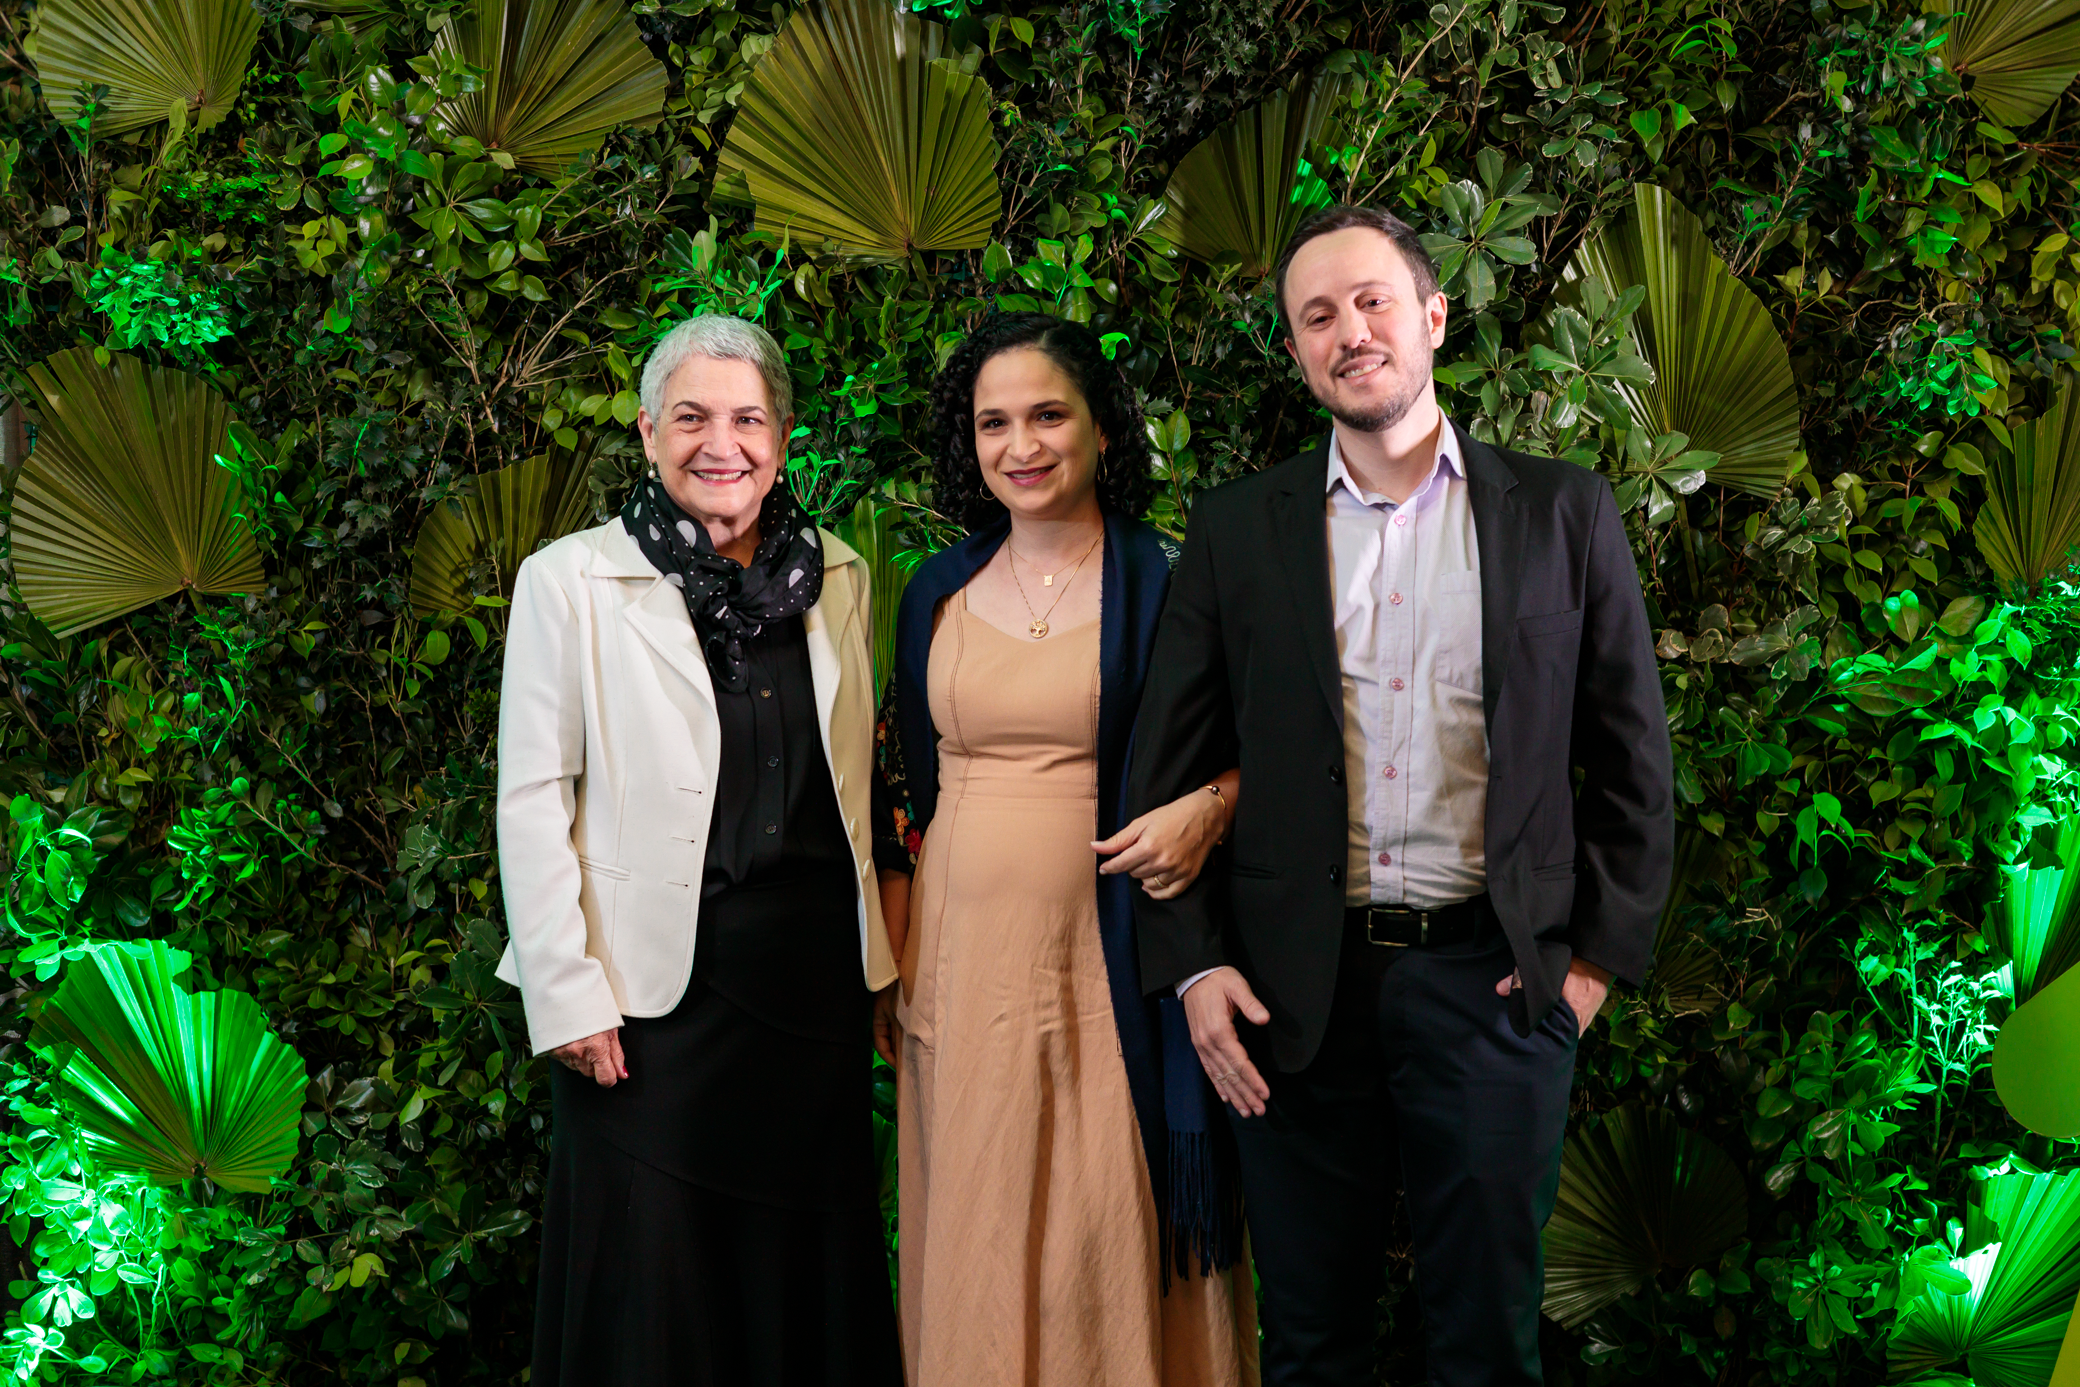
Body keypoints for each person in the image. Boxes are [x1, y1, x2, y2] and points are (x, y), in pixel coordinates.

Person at [1128, 206, 1675, 1386]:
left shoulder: (1561, 510)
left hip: (1494, 985)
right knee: (1311, 1345)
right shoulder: (1237, 528)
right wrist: (1194, 965)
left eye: (1373, 301)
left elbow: (1632, 758)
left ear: (1432, 315)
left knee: (1486, 1347)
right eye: (1317, 315)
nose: (1351, 332)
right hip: (1291, 995)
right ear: (1296, 350)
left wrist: (1588, 972)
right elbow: (1168, 769)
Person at [495, 314, 902, 1387]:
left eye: (748, 419)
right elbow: (531, 798)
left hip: (810, 995)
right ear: (646, 433)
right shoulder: (569, 579)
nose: (722, 444)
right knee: (653, 1295)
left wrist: (880, 967)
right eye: (691, 417)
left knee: (800, 1290)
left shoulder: (841, 575)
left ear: (783, 438)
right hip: (644, 1002)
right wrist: (565, 992)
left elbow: (855, 789)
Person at [875, 313, 1260, 1387]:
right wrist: (892, 968)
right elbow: (902, 793)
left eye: (1048, 414)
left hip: (1112, 966)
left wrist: (1213, 806)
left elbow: (1273, 749)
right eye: (993, 423)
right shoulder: (934, 590)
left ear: (1101, 427)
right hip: (959, 972)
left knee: (1102, 1223)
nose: (1022, 444)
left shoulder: (1170, 579)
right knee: (981, 1224)